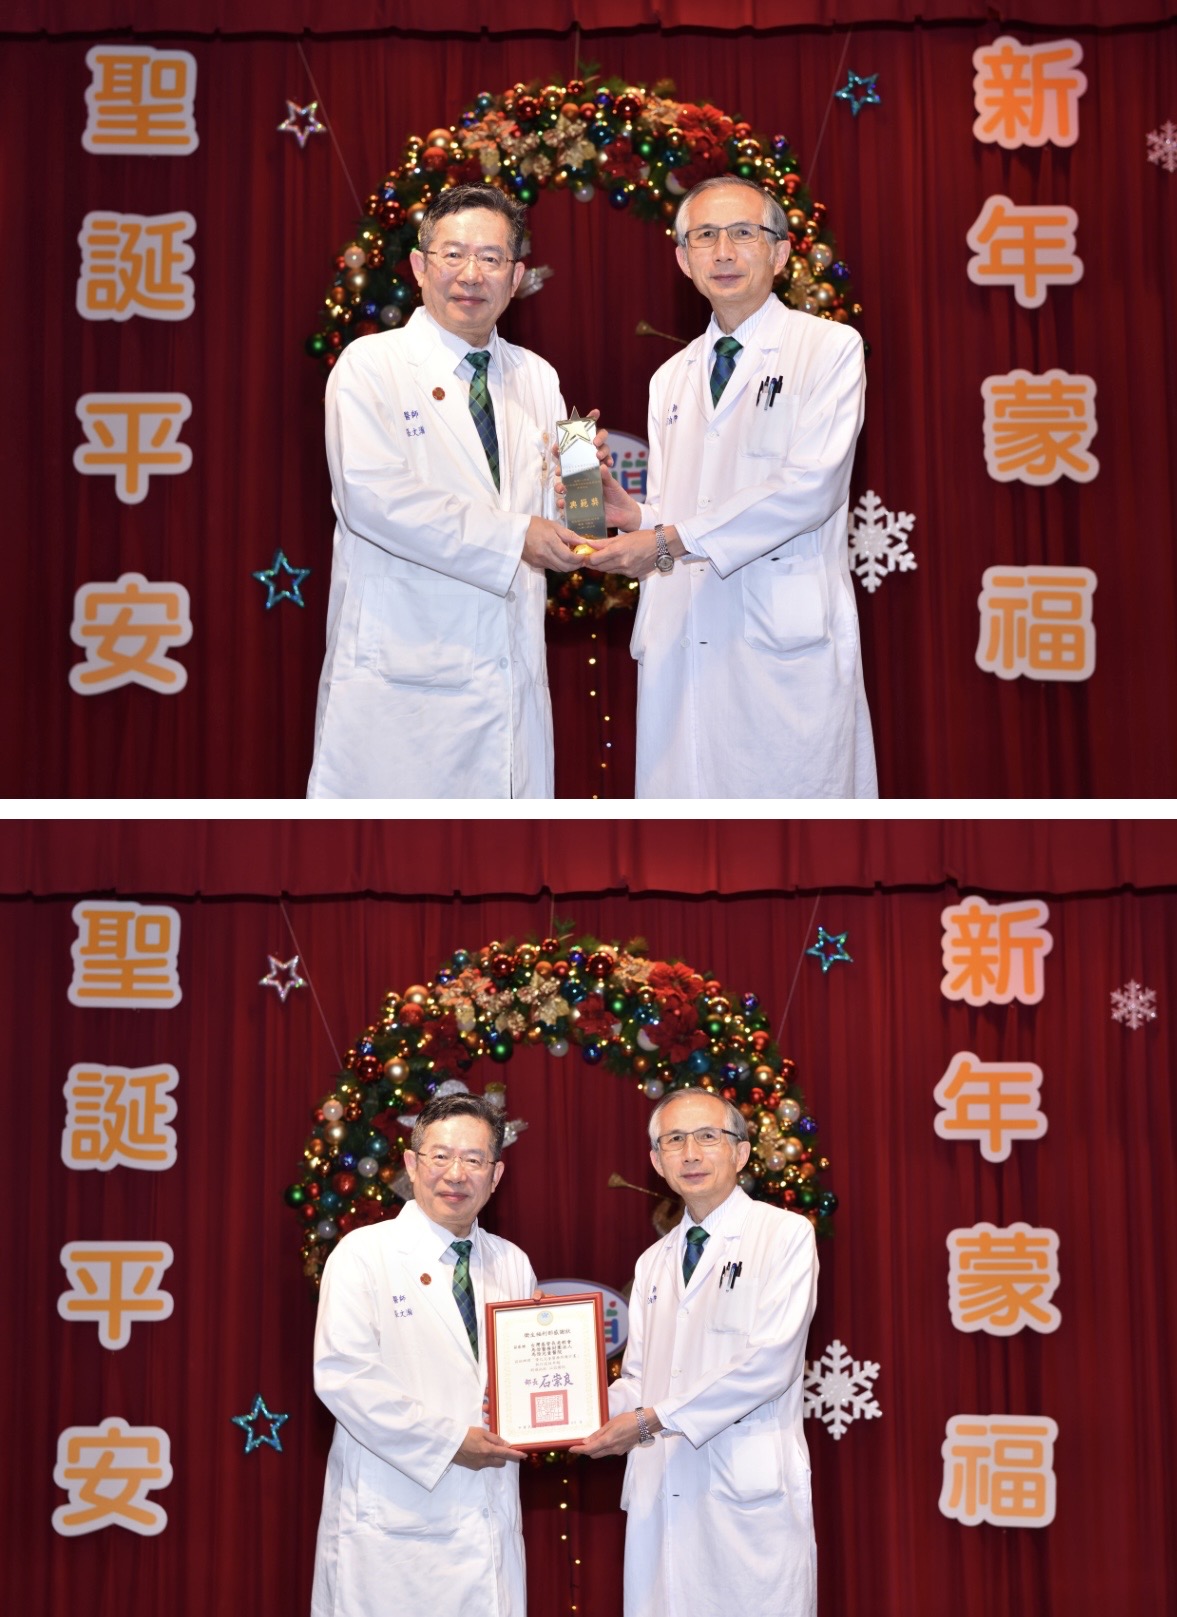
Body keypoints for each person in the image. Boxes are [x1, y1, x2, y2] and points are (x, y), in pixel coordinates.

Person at [584, 174, 878, 798]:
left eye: (743, 233)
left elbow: (810, 487)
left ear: (780, 252)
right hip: (683, 637)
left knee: (791, 826)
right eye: (705, 236)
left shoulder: (827, 348)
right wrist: (635, 516)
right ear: (682, 259)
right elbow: (681, 509)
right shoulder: (671, 376)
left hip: (782, 642)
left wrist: (666, 538)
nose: (723, 251)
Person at [307, 185, 582, 798]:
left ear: (516, 277)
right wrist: (518, 535)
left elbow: (555, 518)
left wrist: (585, 499)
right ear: (419, 265)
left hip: (509, 676)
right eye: (453, 254)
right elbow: (373, 498)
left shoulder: (538, 377)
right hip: (402, 685)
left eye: (491, 258)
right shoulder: (370, 365)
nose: (470, 274)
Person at [572, 1087, 819, 1617]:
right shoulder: (652, 1262)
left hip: (745, 1495)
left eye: (708, 1136)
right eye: (674, 1140)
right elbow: (639, 1379)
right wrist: (576, 1411)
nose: (690, 1153)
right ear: (656, 1162)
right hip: (662, 1491)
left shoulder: (784, 1235)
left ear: (741, 1152)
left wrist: (650, 1419)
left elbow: (770, 1363)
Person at [311, 1092, 536, 1617]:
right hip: (392, 1533)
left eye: (474, 1160)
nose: (456, 1174)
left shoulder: (512, 1263)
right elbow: (344, 1379)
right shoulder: (363, 1255)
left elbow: (519, 1381)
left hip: (488, 1520)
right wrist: (451, 1442)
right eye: (441, 1156)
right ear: (412, 1164)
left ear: (496, 1175)